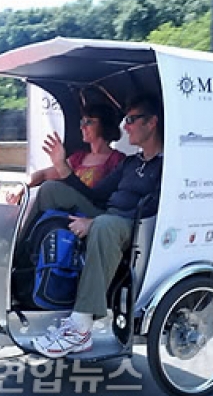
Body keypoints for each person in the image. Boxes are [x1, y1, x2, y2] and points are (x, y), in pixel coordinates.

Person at [21, 96, 164, 358]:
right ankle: (25, 277)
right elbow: (95, 196)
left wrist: (94, 222)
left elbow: (152, 209)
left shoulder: (165, 166)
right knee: (52, 190)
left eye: (132, 120)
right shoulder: (131, 163)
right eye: (125, 120)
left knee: (105, 224)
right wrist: (62, 166)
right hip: (108, 216)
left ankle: (81, 328)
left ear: (151, 123)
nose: (127, 126)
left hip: (134, 226)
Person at [6, 103, 126, 204]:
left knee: (49, 189)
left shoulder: (117, 159)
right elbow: (43, 174)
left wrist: (61, 165)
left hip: (92, 212)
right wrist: (21, 187)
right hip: (69, 211)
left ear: (104, 124)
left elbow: (104, 196)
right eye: (82, 122)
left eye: (88, 122)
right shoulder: (79, 157)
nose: (82, 127)